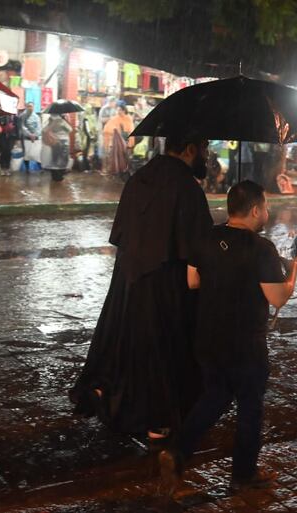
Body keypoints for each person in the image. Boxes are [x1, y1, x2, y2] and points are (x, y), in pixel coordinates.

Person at [69, 131, 214, 441]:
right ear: (190, 148)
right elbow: (197, 249)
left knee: (126, 343)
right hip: (165, 287)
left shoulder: (139, 178)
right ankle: (156, 421)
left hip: (127, 279)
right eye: (204, 147)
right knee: (161, 352)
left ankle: (105, 390)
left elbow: (122, 234)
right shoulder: (186, 187)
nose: (207, 154)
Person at [159, 180, 297, 494]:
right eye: (265, 206)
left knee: (215, 396)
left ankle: (178, 451)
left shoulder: (206, 237)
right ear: (254, 210)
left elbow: (193, 281)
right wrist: (293, 271)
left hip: (208, 337)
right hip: (245, 344)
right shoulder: (261, 248)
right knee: (250, 405)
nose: (267, 211)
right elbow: (277, 298)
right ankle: (244, 473)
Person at [102, 101, 134, 173]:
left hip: (126, 141)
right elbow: (108, 127)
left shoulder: (128, 118)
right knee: (116, 156)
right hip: (117, 142)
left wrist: (129, 140)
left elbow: (131, 130)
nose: (118, 111)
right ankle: (117, 170)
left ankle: (125, 169)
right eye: (117, 110)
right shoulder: (115, 118)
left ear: (123, 110)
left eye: (119, 110)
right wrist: (115, 131)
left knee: (126, 156)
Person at [41, 114, 74, 182]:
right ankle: (60, 176)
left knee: (54, 158)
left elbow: (44, 130)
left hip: (54, 143)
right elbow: (70, 129)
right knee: (62, 158)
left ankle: (54, 175)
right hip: (63, 142)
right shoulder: (61, 121)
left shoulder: (50, 121)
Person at [18, 102, 42, 169]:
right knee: (27, 154)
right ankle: (27, 168)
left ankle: (40, 167)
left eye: (31, 106)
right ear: (26, 107)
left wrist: (35, 135)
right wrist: (29, 135)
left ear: (33, 107)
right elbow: (22, 127)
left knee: (37, 154)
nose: (30, 108)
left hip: (36, 138)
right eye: (28, 106)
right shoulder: (23, 116)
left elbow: (39, 127)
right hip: (26, 138)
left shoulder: (37, 117)